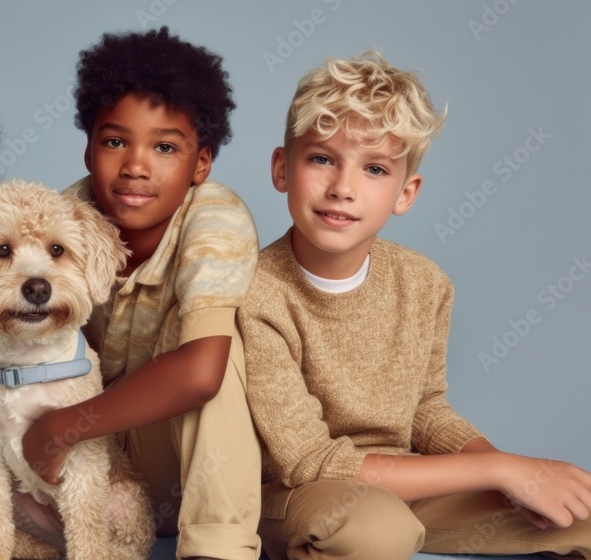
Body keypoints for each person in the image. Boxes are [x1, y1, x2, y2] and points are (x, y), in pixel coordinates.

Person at [239, 50, 591, 559]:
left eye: (375, 168)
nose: (342, 188)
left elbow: (425, 411)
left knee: (579, 515)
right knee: (376, 529)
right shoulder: (254, 291)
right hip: (298, 495)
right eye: (321, 158)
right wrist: (497, 471)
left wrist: (513, 473)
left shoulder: (424, 282)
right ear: (281, 169)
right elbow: (305, 460)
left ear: (406, 193)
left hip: (411, 485)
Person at [0, 27, 262, 560]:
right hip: (81, 451)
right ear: (88, 150)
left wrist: (64, 428)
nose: (135, 165)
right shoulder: (66, 213)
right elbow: (0, 263)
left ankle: (217, 548)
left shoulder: (216, 219)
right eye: (115, 141)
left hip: (179, 458)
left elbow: (203, 373)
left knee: (220, 357)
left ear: (200, 164)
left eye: (163, 147)